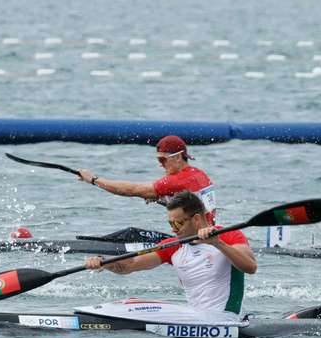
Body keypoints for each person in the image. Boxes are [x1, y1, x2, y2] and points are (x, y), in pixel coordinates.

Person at [84, 190, 256, 322]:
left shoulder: (228, 235)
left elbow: (250, 267)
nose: (173, 229)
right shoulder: (173, 246)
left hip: (225, 319)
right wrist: (104, 263)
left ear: (196, 219)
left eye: (178, 223)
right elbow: (131, 265)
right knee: (132, 302)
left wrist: (217, 243)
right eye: (170, 223)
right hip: (196, 319)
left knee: (138, 307)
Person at [77, 135, 218, 223]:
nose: (160, 164)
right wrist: (162, 199)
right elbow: (193, 205)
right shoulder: (199, 174)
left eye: (163, 160)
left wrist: (93, 179)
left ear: (177, 157)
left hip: (196, 241)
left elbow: (132, 190)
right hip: (206, 234)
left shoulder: (177, 181)